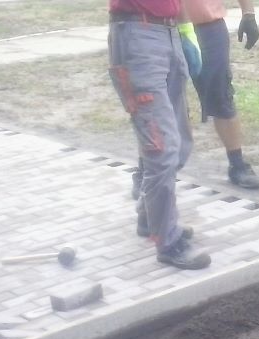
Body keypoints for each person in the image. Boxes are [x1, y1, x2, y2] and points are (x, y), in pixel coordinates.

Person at [108, 0, 212, 270]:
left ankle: (149, 216)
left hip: (170, 32)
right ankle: (168, 242)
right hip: (136, 36)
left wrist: (185, 31)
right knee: (162, 147)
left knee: (180, 142)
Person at [183, 0, 259, 189]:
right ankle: (147, 169)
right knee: (156, 100)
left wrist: (248, 14)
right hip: (160, 29)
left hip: (208, 28)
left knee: (221, 96)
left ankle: (237, 165)